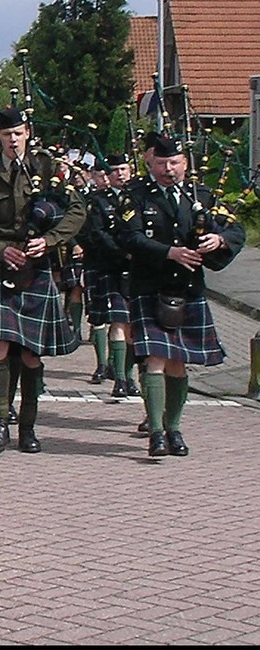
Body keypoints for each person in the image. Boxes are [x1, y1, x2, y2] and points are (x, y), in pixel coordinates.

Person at [0, 108, 85, 457]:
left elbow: (77, 211)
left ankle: (27, 428)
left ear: (27, 132)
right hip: (0, 267)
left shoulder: (48, 168)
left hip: (37, 265)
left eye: (17, 133)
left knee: (31, 353)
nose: (12, 139)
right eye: (6, 134)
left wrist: (50, 240)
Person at [117, 136, 244, 456]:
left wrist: (219, 239)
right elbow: (128, 237)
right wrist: (169, 252)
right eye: (161, 163)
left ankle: (174, 428)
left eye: (174, 163)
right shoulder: (136, 195)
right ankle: (157, 432)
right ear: (151, 163)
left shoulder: (200, 196)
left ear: (184, 164)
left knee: (178, 363)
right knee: (155, 359)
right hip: (150, 287)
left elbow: (235, 230)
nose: (168, 169)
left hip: (188, 290)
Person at [82, 153, 139, 397]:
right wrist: (123, 253)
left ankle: (128, 376)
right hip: (111, 267)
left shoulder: (139, 198)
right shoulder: (99, 201)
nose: (120, 173)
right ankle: (118, 378)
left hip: (138, 271)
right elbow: (98, 233)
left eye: (124, 168)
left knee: (131, 327)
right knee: (117, 321)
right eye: (114, 170)